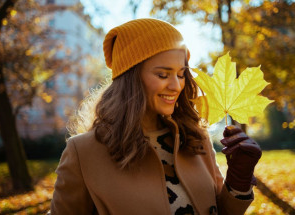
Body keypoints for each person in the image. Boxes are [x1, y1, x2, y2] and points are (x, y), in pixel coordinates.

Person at [49, 18, 262, 215]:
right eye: (162, 75)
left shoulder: (196, 138)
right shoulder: (84, 152)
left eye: (181, 74)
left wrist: (238, 182)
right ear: (130, 77)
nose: (176, 85)